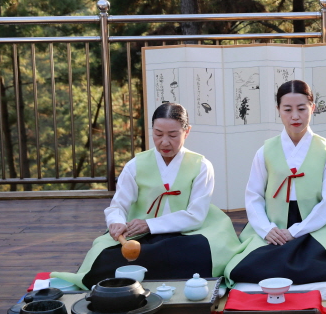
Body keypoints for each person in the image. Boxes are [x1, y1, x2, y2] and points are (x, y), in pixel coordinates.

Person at [51, 103, 242, 289]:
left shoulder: (201, 165)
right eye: (158, 134)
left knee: (200, 251)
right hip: (142, 234)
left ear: (187, 131)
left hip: (189, 231)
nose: (164, 142)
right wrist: (116, 222)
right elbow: (118, 206)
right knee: (108, 256)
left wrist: (150, 224)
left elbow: (196, 215)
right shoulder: (136, 165)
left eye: (173, 135)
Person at [224, 80, 326, 284]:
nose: (295, 116)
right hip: (275, 225)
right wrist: (267, 229)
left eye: (302, 109)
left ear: (312, 108)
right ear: (278, 110)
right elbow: (254, 196)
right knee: (244, 266)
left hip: (315, 224)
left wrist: (294, 232)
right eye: (287, 109)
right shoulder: (265, 151)